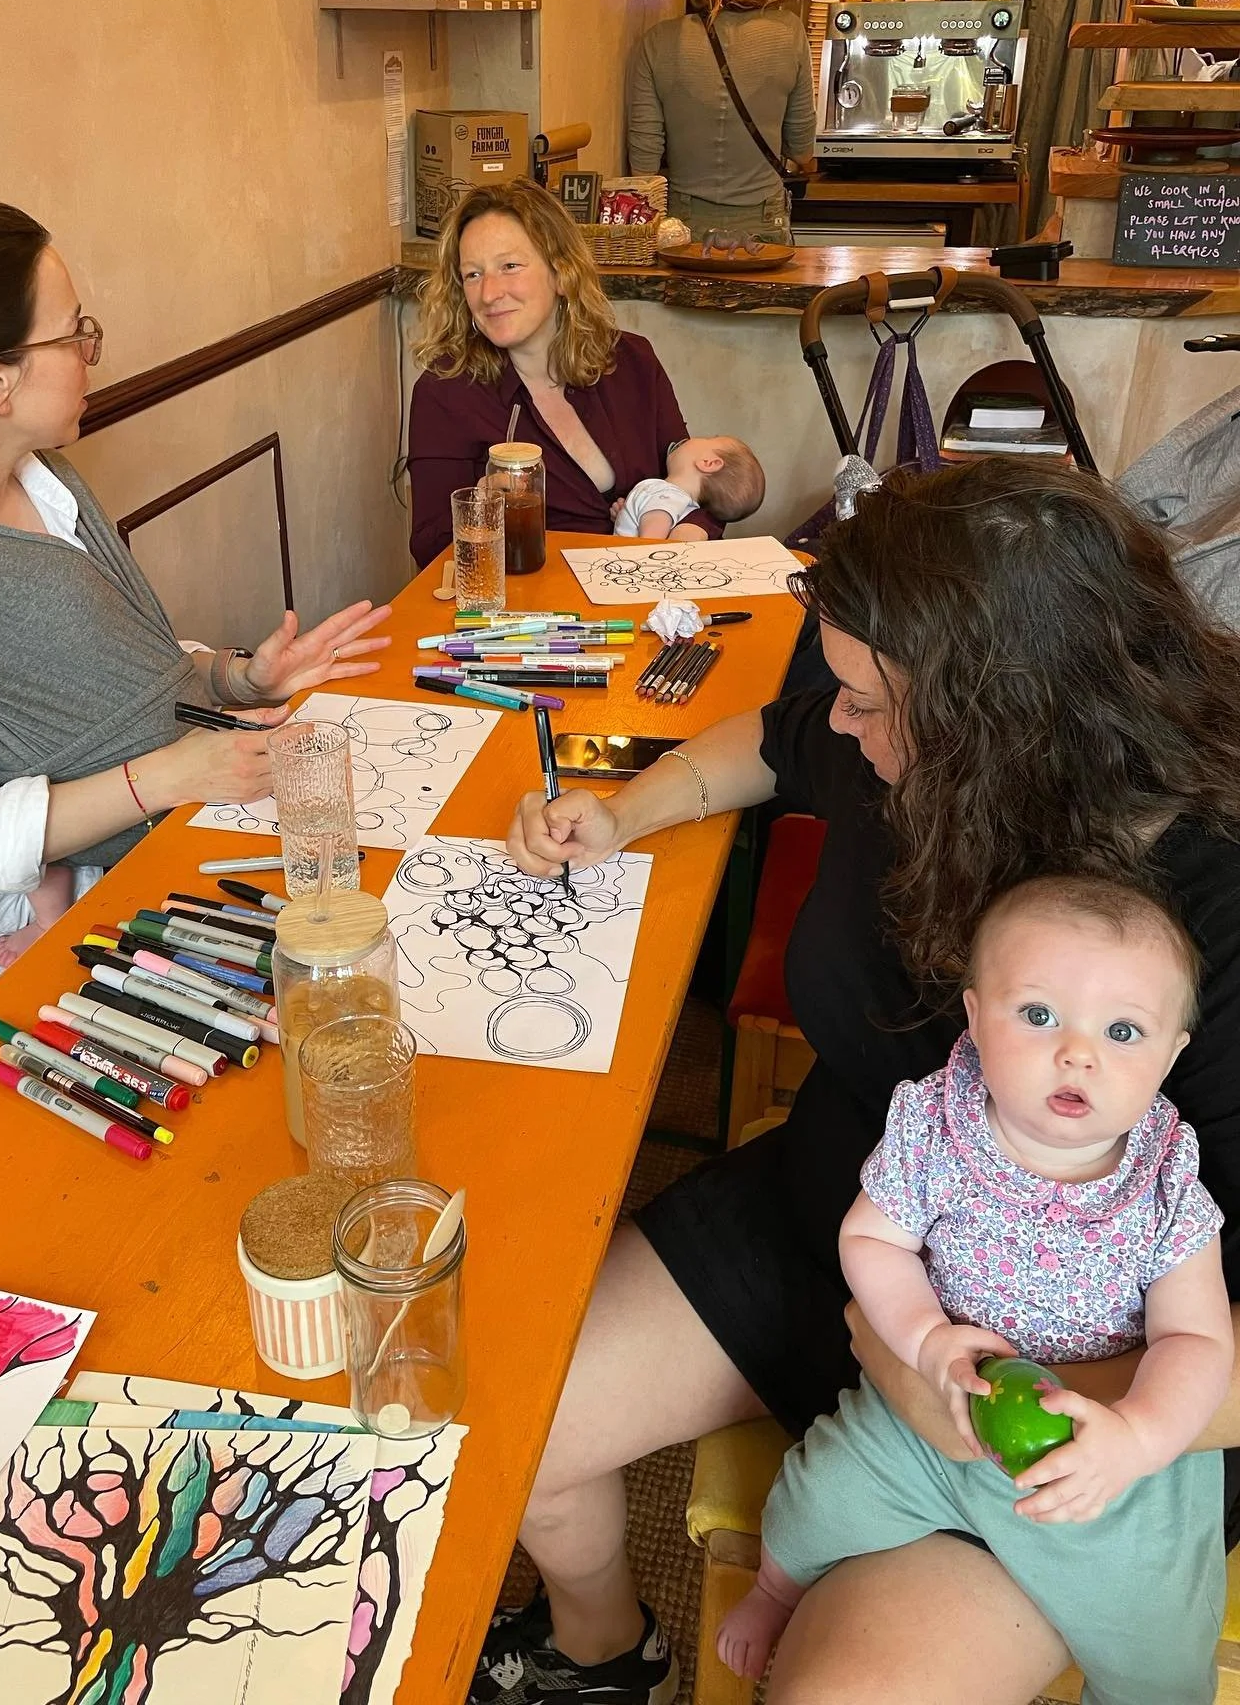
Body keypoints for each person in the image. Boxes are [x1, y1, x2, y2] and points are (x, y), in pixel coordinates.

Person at [490, 457, 1240, 1705]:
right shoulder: (901, 746)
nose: (839, 725)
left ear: (999, 727)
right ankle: (604, 1654)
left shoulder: (1216, 898)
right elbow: (778, 742)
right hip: (845, 1218)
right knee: (513, 1414)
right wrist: (631, 808)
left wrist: (951, 1381)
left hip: (1072, 1389)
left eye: (865, 704)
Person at [0, 194, 391, 1053]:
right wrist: (168, 775)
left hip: (117, 855)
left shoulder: (44, 481)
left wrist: (238, 678)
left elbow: (109, 669)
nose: (90, 353)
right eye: (75, 333)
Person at [719, 876, 1229, 1705]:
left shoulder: (1165, 1185)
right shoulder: (936, 1125)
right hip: (934, 1406)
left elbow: (1197, 1342)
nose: (1077, 1053)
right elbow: (873, 1239)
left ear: (1171, 1052)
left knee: (1164, 1661)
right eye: (1036, 1016)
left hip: (1107, 1466)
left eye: (1124, 1031)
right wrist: (924, 1340)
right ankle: (777, 1588)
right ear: (974, 1016)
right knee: (813, 1501)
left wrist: (1134, 1439)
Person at [406, 178, 727, 570]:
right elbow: (430, 549)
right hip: (531, 618)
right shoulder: (448, 392)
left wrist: (686, 534)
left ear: (561, 273)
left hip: (647, 596)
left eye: (510, 266)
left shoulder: (632, 361)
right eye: (473, 274)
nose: (489, 293)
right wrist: (482, 504)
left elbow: (694, 485)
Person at [626, 0, 816, 246]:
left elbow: (644, 166)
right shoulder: (790, 34)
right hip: (762, 224)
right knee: (768, 301)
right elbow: (801, 149)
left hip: (681, 227)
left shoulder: (657, 41)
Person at [611, 434, 766, 540]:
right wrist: (627, 516)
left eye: (709, 438)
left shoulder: (664, 497)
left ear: (708, 463)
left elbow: (649, 546)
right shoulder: (683, 505)